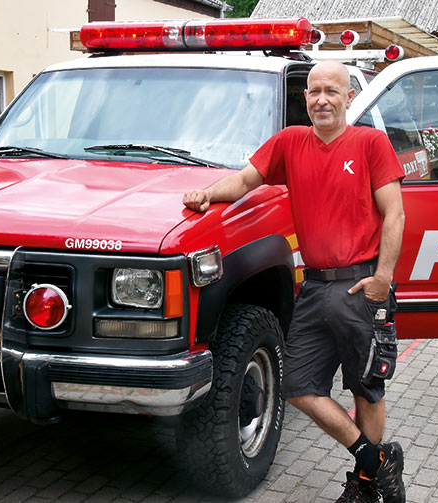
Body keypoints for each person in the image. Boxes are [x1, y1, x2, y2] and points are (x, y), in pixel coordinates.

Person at [183, 60, 406, 503]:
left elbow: (395, 213)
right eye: (313, 91)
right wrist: (208, 193)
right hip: (315, 286)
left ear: (347, 97)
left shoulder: (370, 143)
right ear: (304, 97)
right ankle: (378, 462)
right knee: (297, 387)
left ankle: (364, 488)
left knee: (365, 389)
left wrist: (383, 278)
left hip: (360, 287)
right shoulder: (290, 142)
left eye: (331, 91)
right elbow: (247, 180)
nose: (321, 99)